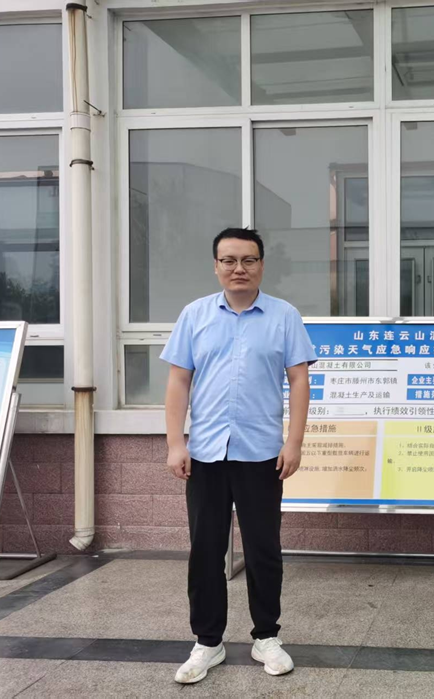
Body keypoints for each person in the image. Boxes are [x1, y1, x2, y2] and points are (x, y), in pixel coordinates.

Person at [161, 227, 317, 684]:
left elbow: (300, 380)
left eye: (248, 260)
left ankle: (266, 636)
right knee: (205, 550)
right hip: (205, 453)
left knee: (264, 548)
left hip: (262, 453)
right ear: (216, 266)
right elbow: (178, 382)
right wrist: (175, 443)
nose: (238, 269)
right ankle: (207, 642)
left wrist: (294, 441)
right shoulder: (194, 315)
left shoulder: (284, 316)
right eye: (228, 260)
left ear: (261, 265)